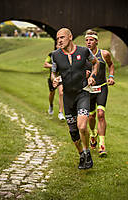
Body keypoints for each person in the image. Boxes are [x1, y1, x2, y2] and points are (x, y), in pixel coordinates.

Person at [51, 28, 99, 169]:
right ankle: (82, 155)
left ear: (70, 37)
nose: (59, 40)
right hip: (67, 97)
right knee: (73, 133)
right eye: (57, 38)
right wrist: (55, 80)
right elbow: (53, 73)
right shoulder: (55, 55)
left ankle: (87, 152)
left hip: (82, 93)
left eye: (62, 37)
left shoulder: (84, 51)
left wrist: (92, 77)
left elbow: (95, 63)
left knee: (82, 126)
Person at [85, 29, 115, 157]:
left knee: (101, 114)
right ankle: (93, 134)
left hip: (102, 87)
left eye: (91, 40)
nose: (88, 42)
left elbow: (111, 65)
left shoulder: (105, 54)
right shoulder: (83, 55)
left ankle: (102, 145)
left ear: (96, 41)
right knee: (91, 117)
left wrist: (111, 76)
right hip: (89, 90)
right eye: (86, 40)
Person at [44, 44, 65, 120]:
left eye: (61, 45)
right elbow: (45, 64)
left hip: (61, 77)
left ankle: (61, 113)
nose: (60, 46)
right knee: (52, 93)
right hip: (52, 77)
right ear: (56, 46)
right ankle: (51, 105)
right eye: (58, 45)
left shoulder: (65, 54)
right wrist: (54, 66)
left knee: (61, 93)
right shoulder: (51, 54)